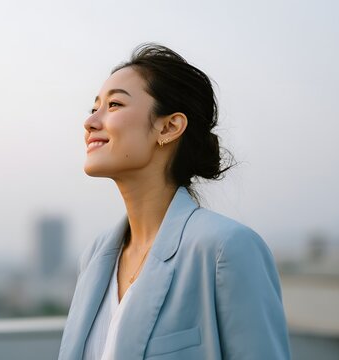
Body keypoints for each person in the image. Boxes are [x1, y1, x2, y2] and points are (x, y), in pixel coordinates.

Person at [58, 44, 291, 360]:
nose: (90, 122)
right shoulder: (95, 257)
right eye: (93, 107)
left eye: (113, 105)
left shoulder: (226, 248)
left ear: (168, 127)